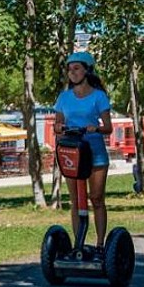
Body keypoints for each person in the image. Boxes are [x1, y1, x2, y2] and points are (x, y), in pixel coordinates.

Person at [54, 51, 113, 250]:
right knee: (76, 200)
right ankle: (78, 245)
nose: (72, 73)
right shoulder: (63, 98)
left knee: (96, 199)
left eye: (77, 68)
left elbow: (108, 127)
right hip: (73, 152)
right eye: (70, 70)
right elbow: (57, 124)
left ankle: (100, 244)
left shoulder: (99, 96)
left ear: (87, 70)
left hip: (94, 151)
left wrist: (95, 128)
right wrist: (59, 129)